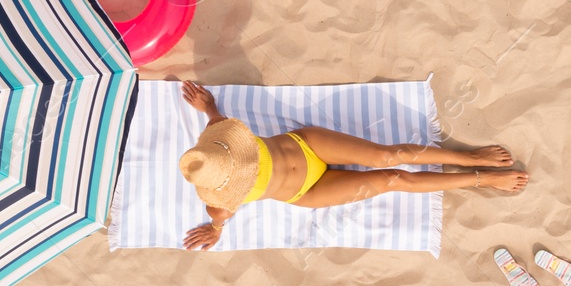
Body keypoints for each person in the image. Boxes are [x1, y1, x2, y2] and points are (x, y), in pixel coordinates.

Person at [176, 81, 527, 250]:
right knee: (393, 178)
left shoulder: (219, 134)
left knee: (388, 155)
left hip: (307, 146)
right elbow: (219, 223)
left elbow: (216, 115)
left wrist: (208, 105)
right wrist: (215, 232)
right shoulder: (219, 204)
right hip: (307, 191)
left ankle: (470, 157)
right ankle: (481, 180)